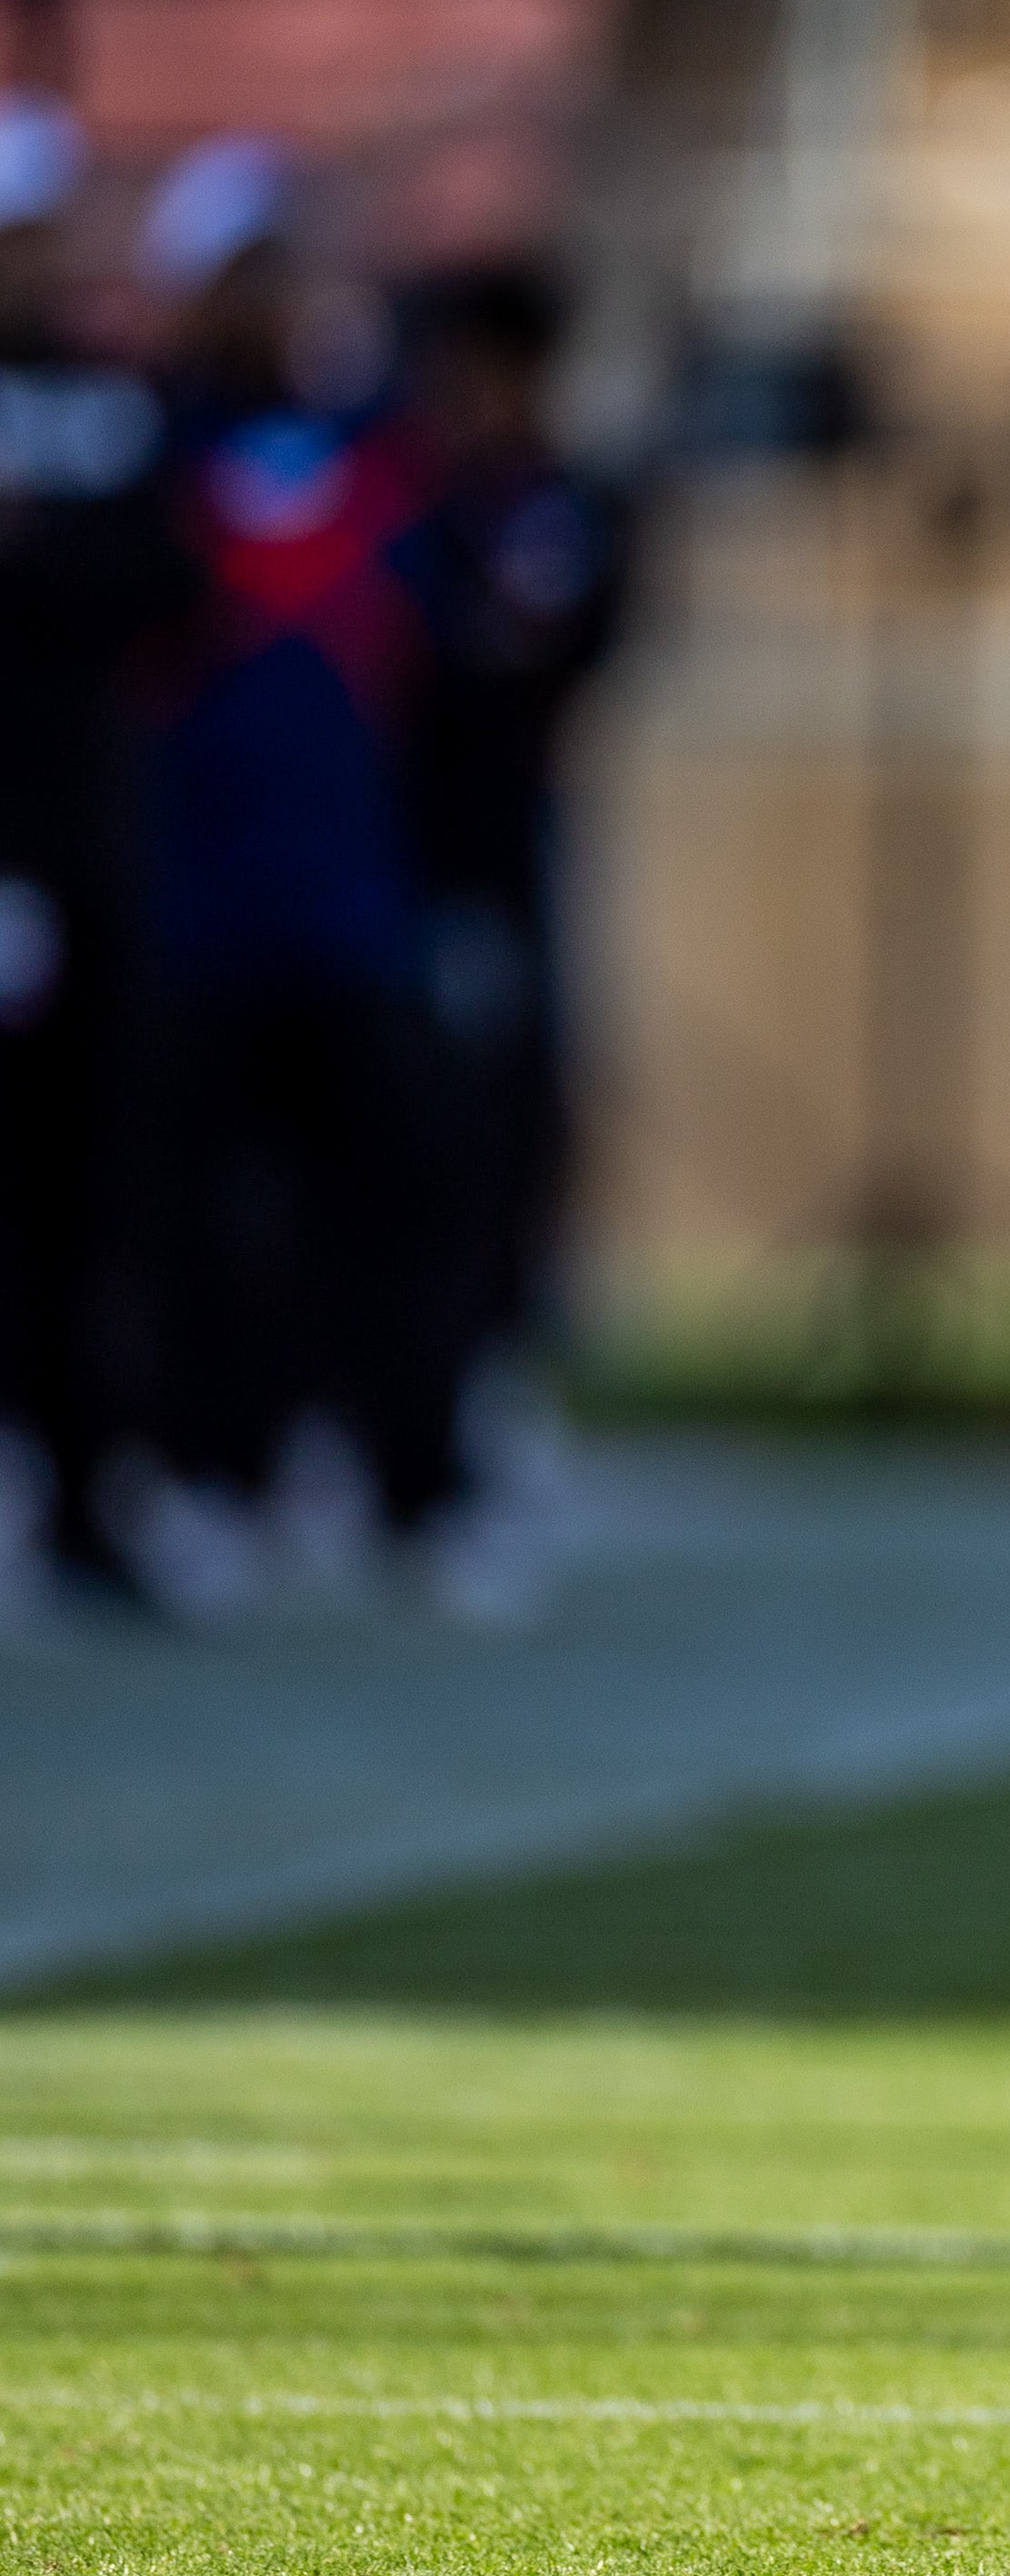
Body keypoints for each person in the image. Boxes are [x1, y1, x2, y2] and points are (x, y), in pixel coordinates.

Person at [125, 134, 483, 1605]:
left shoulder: (394, 461)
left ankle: (417, 1480)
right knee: (193, 1206)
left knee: (396, 1194)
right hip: (196, 893)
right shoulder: (155, 460)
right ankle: (212, 1466)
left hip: (353, 893)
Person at [0, 95, 195, 1597]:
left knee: (90, 1191)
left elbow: (160, 589)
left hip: (85, 840)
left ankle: (86, 1488)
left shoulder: (116, 397)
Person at [389, 259, 625, 1397]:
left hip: (503, 841)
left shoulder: (556, 503)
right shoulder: (406, 496)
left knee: (507, 1114)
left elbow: (566, 649)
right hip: (385, 843)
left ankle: (483, 1367)